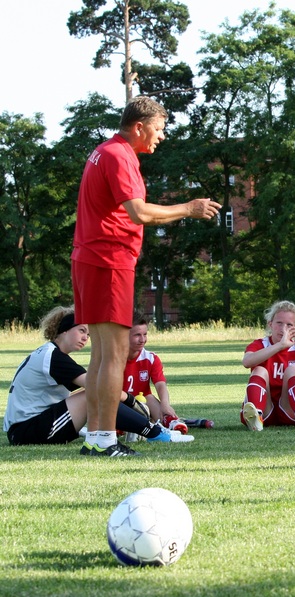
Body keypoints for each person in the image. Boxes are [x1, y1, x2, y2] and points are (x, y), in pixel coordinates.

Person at [71, 96, 220, 457]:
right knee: (115, 355)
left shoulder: (104, 151)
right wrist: (188, 208)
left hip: (90, 258)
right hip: (108, 259)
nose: (161, 136)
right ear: (139, 127)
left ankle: (95, 438)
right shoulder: (119, 155)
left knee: (101, 355)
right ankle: (105, 439)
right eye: (158, 128)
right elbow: (138, 213)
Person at [3, 307, 192, 449]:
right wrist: (132, 401)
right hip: (26, 432)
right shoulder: (53, 357)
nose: (86, 337)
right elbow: (98, 387)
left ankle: (146, 430)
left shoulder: (49, 353)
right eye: (81, 331)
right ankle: (155, 432)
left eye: (88, 333)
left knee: (91, 393)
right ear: (64, 330)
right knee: (92, 393)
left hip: (25, 428)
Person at [240, 300, 295, 431]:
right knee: (259, 370)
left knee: (293, 369)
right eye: (279, 323)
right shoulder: (260, 344)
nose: (283, 328)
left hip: (288, 410)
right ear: (270, 324)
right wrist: (280, 345)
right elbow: (247, 362)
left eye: (289, 325)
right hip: (265, 409)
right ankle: (255, 418)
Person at [123, 313, 187, 434]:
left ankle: (169, 421)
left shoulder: (151, 358)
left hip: (143, 404)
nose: (142, 340)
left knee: (149, 397)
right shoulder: (115, 358)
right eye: (137, 335)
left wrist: (165, 404)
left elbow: (160, 384)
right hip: (120, 402)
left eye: (145, 334)